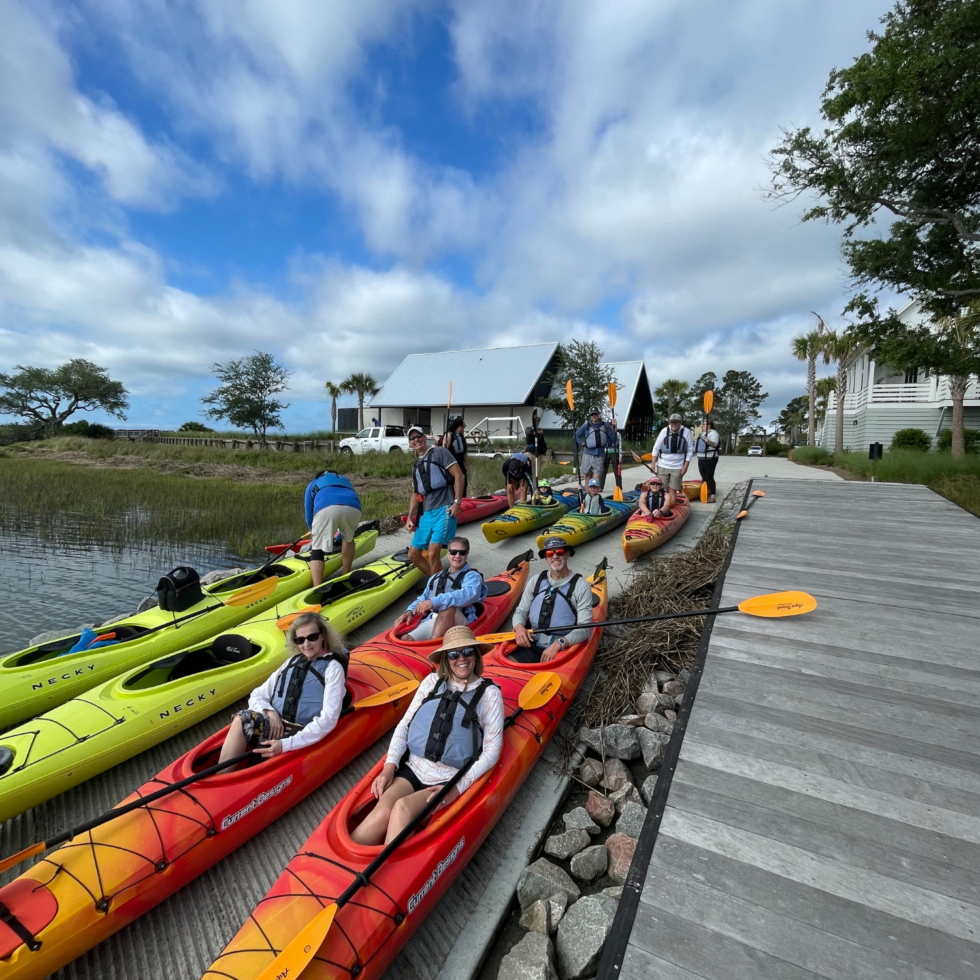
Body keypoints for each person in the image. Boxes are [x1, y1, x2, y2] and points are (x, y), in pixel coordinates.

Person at [351, 626, 503, 845]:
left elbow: (492, 751)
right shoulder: (432, 682)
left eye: (468, 651)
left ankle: (392, 864)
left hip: (448, 778)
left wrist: (456, 789)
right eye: (453, 653)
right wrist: (389, 766)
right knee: (382, 811)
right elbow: (405, 725)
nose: (461, 658)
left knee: (402, 809)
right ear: (445, 658)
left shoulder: (489, 694)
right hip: (413, 769)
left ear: (476, 655)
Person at [218, 613, 348, 766]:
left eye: (312, 637)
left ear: (323, 636)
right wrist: (271, 713)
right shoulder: (291, 662)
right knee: (241, 719)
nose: (306, 644)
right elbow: (257, 694)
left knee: (264, 756)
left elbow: (328, 719)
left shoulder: (333, 668)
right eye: (300, 640)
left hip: (303, 731)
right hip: (276, 725)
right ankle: (221, 773)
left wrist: (285, 745)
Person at [511, 536, 594, 664]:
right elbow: (520, 611)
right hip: (531, 641)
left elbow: (585, 629)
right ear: (546, 557)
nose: (555, 556)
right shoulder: (536, 581)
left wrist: (559, 644)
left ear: (567, 554)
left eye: (559, 552)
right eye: (550, 553)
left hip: (564, 646)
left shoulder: (581, 586)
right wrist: (519, 627)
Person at [394, 535, 486, 640]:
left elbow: (468, 594)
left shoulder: (472, 576)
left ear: (467, 554)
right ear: (448, 553)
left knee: (448, 608)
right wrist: (409, 611)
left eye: (462, 552)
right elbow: (424, 597)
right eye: (453, 552)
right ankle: (432, 641)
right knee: (405, 638)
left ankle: (434, 645)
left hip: (460, 621)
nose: (457, 556)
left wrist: (434, 602)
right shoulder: (436, 577)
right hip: (435, 618)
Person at [406, 425, 465, 577]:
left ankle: (436, 588)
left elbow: (459, 476)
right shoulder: (416, 466)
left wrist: (457, 502)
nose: (416, 440)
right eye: (412, 438)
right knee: (413, 554)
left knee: (433, 553)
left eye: (418, 436)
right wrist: (410, 517)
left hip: (445, 507)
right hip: (428, 512)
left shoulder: (440, 452)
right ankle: (436, 582)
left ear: (425, 437)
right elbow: (416, 493)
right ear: (410, 443)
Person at [304, 469, 362, 584]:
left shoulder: (313, 484)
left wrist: (314, 533)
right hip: (354, 508)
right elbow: (344, 506)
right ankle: (345, 575)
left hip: (326, 508)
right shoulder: (345, 480)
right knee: (349, 539)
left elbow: (308, 515)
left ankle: (317, 587)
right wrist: (339, 538)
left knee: (317, 549)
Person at [575, 406, 618, 490]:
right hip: (587, 454)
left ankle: (594, 495)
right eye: (592, 414)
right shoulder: (586, 425)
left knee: (596, 479)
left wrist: (614, 428)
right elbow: (576, 436)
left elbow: (613, 440)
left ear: (599, 414)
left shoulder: (605, 425)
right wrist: (582, 443)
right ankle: (588, 496)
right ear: (590, 416)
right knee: (587, 476)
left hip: (600, 455)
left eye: (596, 414)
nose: (594, 416)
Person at [650, 413, 693, 493]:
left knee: (672, 490)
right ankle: (663, 501)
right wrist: (653, 464)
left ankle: (671, 501)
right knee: (661, 489)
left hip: (678, 466)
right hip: (662, 465)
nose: (674, 424)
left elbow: (690, 450)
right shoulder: (664, 431)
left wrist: (685, 467)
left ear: (680, 422)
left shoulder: (686, 432)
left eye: (676, 422)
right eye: (672, 422)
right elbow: (656, 448)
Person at [695, 414, 720, 503]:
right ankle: (705, 493)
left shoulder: (713, 433)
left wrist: (708, 441)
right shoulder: (702, 434)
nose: (702, 425)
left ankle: (712, 496)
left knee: (709, 476)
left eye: (704, 424)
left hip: (710, 458)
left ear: (709, 426)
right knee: (703, 476)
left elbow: (715, 444)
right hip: (701, 458)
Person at [446, 416, 469, 498]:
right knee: (454, 481)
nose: (464, 427)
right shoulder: (450, 435)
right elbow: (445, 450)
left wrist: (467, 465)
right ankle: (453, 498)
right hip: (452, 462)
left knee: (464, 481)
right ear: (460, 425)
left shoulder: (461, 437)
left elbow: (464, 453)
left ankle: (463, 498)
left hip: (460, 461)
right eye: (464, 425)